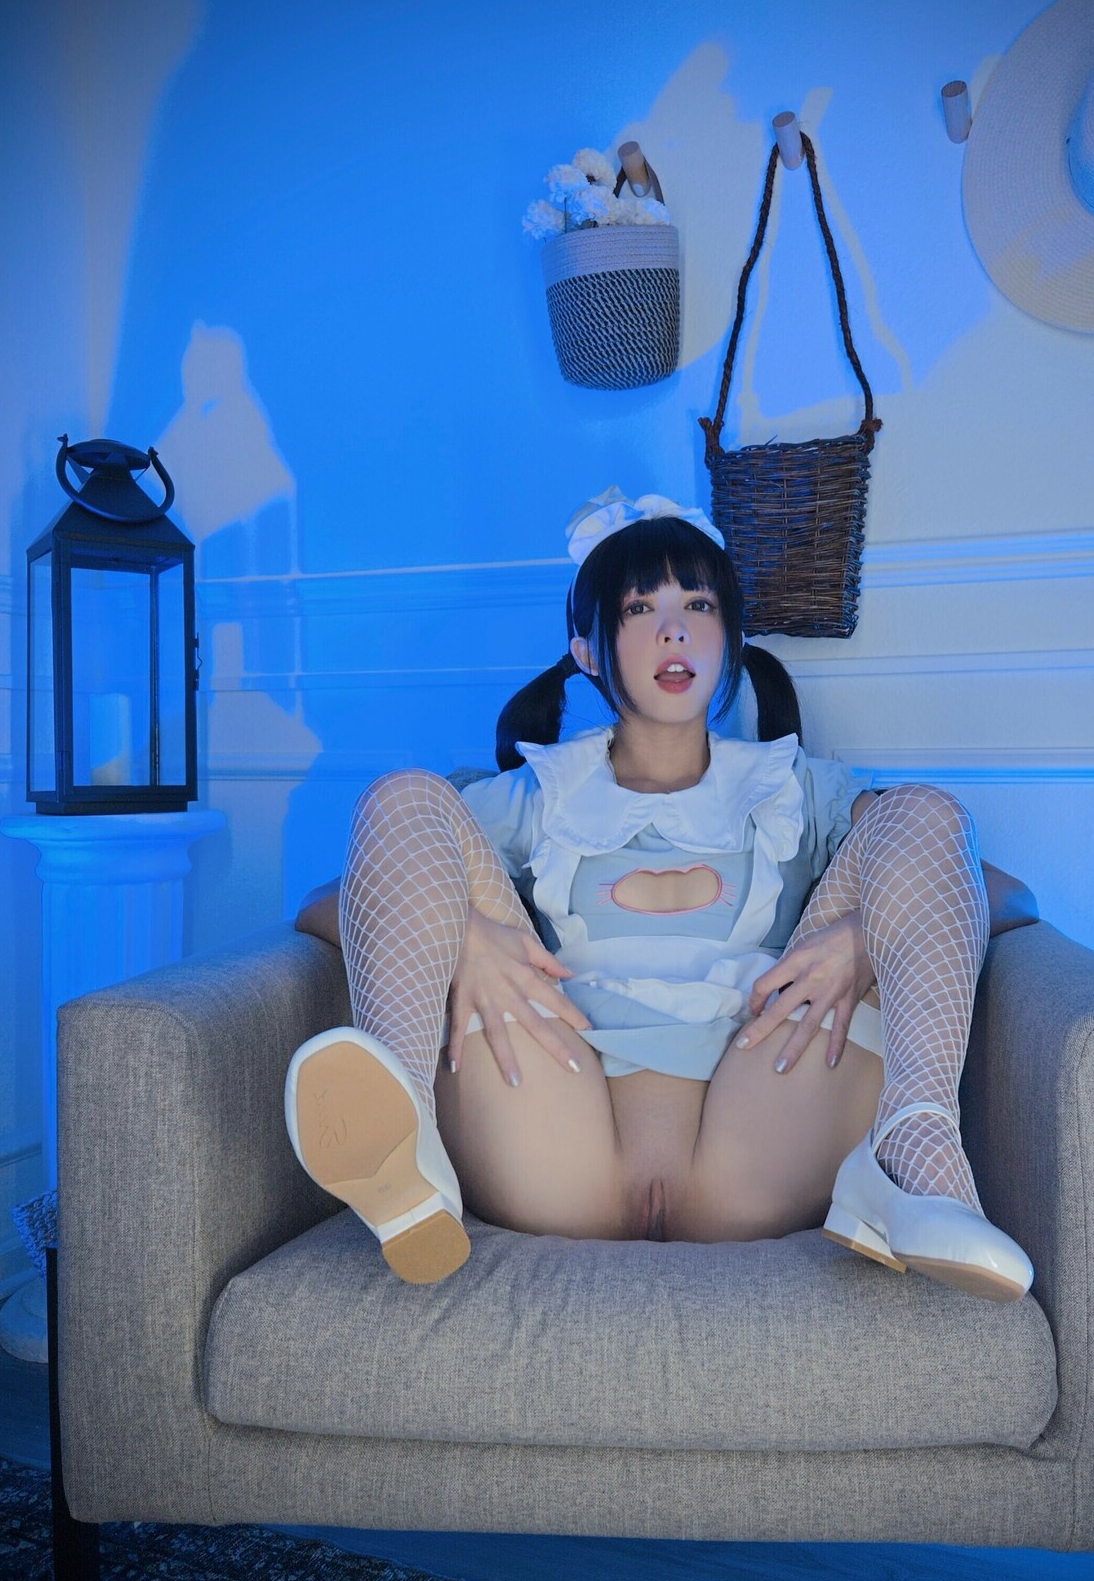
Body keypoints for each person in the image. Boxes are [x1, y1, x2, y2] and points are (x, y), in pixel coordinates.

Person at [285, 488, 1035, 1302]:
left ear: (729, 639)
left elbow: (1001, 892)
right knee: (402, 797)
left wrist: (864, 940)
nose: (675, 630)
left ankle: (916, 1152)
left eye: (699, 605)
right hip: (552, 1146)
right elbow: (334, 900)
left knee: (924, 810)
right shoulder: (537, 797)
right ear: (588, 652)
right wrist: (461, 936)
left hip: (762, 1142)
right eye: (641, 608)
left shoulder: (796, 790)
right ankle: (407, 1155)